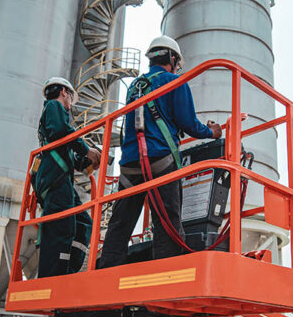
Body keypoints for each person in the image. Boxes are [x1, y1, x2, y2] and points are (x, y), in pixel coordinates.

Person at [97, 36, 222, 268]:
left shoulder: (135, 86)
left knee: (120, 224)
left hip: (129, 164)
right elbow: (188, 123)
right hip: (160, 161)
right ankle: (168, 276)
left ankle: (106, 275)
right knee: (167, 223)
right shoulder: (175, 82)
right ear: (173, 58)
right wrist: (211, 132)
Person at [34, 77, 99, 277]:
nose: (71, 105)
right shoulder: (53, 106)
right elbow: (63, 132)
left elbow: (67, 151)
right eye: (72, 97)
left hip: (60, 179)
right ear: (64, 91)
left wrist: (89, 162)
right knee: (61, 227)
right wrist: (86, 149)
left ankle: (68, 270)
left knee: (82, 223)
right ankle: (52, 275)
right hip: (55, 180)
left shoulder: (57, 124)